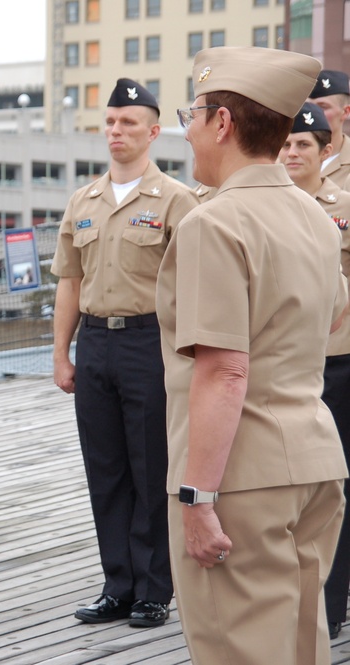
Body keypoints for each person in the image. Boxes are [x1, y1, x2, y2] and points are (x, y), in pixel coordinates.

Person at [158, 47, 348, 664]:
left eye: (194, 114)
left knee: (239, 649)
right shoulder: (316, 218)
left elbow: (224, 369)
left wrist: (197, 497)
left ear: (223, 124)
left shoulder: (215, 223)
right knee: (301, 644)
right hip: (313, 458)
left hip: (239, 474)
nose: (187, 130)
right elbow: (332, 315)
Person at [51, 79, 198, 628]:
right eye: (110, 123)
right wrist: (61, 354)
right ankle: (118, 584)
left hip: (148, 345)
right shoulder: (82, 201)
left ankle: (153, 588)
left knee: (150, 467)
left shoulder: (178, 201)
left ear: (154, 132)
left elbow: (190, 288)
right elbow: (69, 281)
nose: (117, 132)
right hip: (95, 345)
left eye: (129, 123)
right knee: (105, 469)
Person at [280, 101, 350, 640]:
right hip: (280, 369)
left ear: (326, 151)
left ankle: (332, 600)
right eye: (284, 143)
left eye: (303, 144)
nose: (291, 152)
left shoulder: (343, 207)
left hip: (339, 362)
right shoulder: (262, 209)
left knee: (335, 485)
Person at [309, 69, 350, 188]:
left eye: (322, 107)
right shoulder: (284, 160)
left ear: (345, 112)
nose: (312, 114)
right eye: (308, 106)